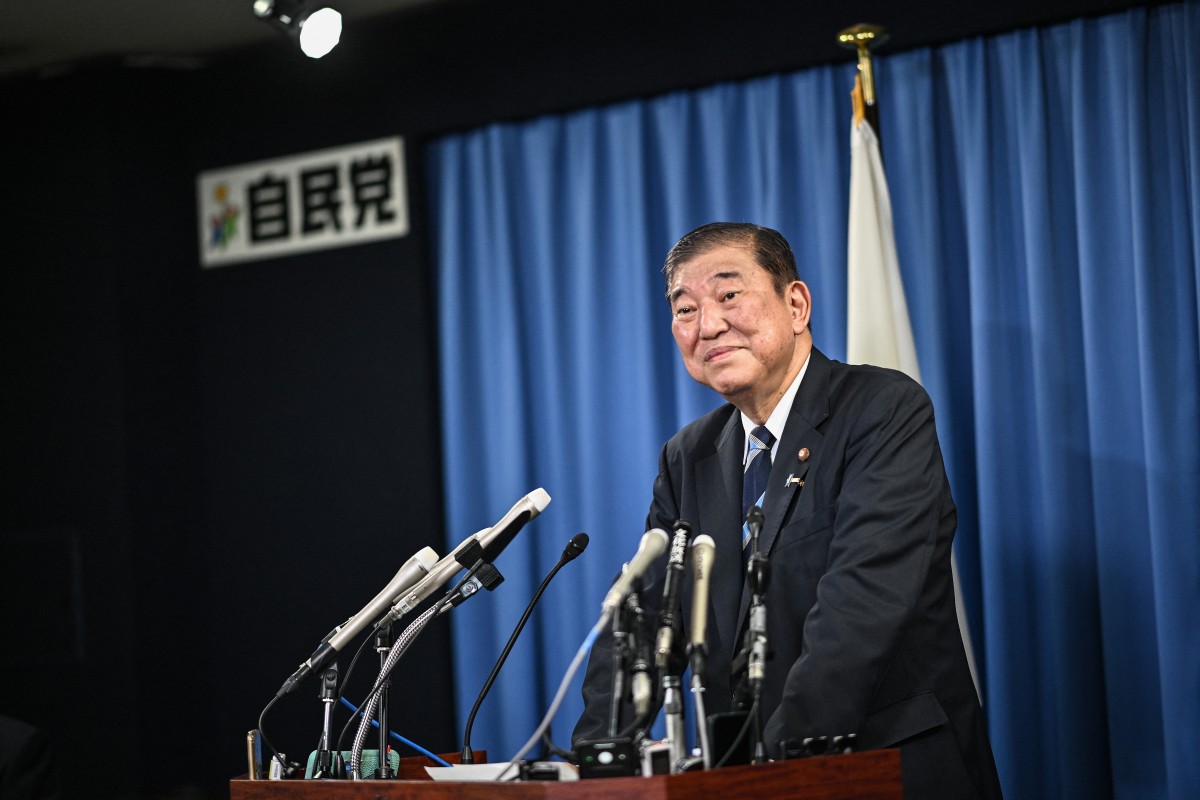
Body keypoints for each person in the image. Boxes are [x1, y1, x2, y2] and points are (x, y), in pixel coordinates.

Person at [572, 222, 1002, 799]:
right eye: (685, 309)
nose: (709, 325)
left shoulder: (880, 410)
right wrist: (598, 762)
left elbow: (862, 607)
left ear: (795, 303)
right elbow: (648, 619)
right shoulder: (689, 456)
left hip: (883, 768)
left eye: (728, 295)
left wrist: (769, 774)